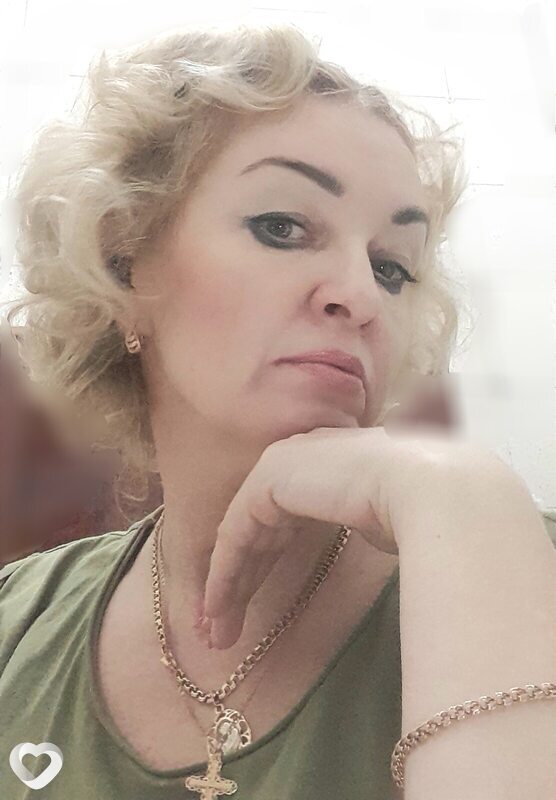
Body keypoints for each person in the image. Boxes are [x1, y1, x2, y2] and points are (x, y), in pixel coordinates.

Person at [1, 22, 555, 800]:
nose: (360, 296)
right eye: (283, 227)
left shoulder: (520, 563)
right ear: (124, 262)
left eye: (392, 267)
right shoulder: (18, 623)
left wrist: (462, 493)